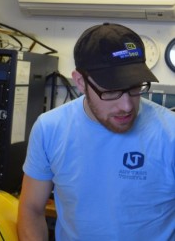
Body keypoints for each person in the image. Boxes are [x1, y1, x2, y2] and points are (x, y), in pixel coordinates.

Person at [17, 23, 175, 240]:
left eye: (135, 87)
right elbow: (31, 209)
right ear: (80, 82)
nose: (127, 106)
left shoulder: (170, 133)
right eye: (111, 92)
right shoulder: (49, 129)